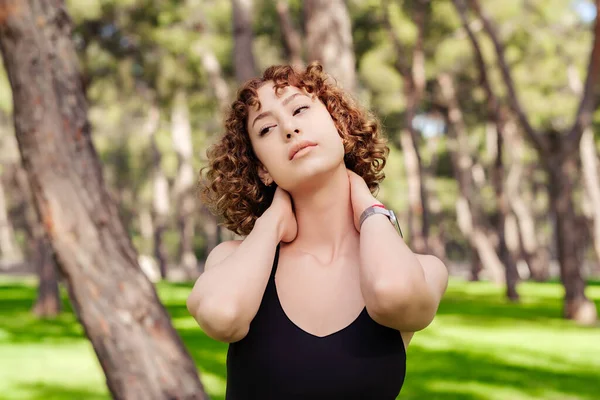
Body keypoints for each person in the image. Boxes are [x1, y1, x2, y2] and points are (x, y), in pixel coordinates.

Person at [187, 62, 448, 399]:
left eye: (299, 109)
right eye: (266, 129)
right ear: (263, 169)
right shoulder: (231, 262)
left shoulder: (423, 271)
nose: (289, 129)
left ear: (339, 127)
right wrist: (272, 222)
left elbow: (392, 293)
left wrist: (370, 209)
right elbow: (222, 315)